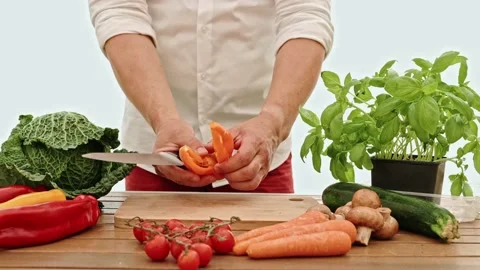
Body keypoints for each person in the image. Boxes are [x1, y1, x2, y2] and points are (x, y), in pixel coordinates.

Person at [87, 0, 334, 193]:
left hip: (261, 159)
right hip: (156, 152)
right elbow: (119, 11)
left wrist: (273, 121)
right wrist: (164, 120)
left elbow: (305, 16)